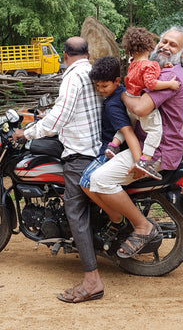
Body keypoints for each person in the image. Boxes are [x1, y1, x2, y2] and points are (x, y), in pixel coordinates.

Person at [88, 26, 183, 259]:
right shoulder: (162, 70)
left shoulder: (169, 77)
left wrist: (122, 92)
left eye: (173, 44)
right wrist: (179, 140)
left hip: (155, 151)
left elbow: (139, 107)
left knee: (97, 180)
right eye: (164, 41)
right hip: (160, 146)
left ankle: (141, 226)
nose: (165, 46)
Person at [11, 37, 104, 304]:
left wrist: (27, 133)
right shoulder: (91, 70)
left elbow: (60, 117)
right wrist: (42, 115)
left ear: (64, 56)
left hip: (81, 153)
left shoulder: (72, 77)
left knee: (74, 211)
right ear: (86, 53)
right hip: (96, 144)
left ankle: (92, 281)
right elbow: (67, 111)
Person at [79, 56, 142, 244]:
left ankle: (116, 218)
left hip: (113, 150)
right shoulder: (119, 93)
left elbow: (127, 132)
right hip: (110, 146)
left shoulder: (114, 103)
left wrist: (139, 161)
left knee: (85, 181)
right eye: (97, 86)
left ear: (117, 81)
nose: (100, 90)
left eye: (104, 86)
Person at [107, 26, 179, 180]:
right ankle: (145, 160)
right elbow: (151, 83)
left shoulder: (132, 63)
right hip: (140, 104)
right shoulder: (150, 65)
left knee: (130, 128)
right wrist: (169, 85)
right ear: (149, 46)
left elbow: (142, 75)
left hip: (129, 104)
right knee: (154, 130)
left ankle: (113, 145)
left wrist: (161, 67)